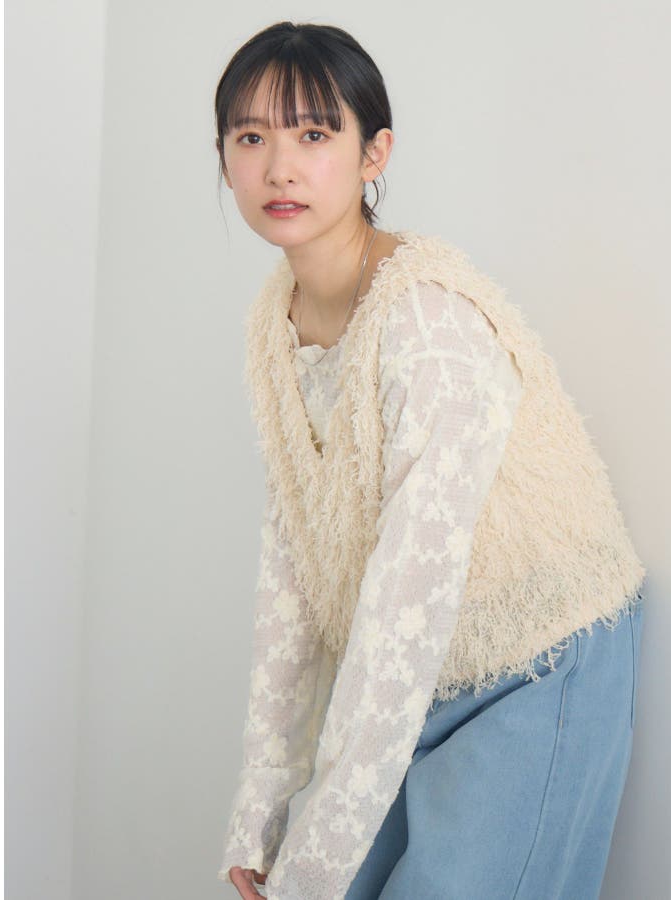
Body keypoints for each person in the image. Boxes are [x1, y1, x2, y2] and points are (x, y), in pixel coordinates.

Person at [213, 21, 647, 900]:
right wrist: (263, 810)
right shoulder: (275, 318)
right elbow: (293, 570)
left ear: (374, 154)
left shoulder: (426, 324)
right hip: (411, 668)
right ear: (224, 159)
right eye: (251, 138)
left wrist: (311, 867)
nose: (280, 167)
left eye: (313, 133)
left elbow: (406, 606)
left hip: (537, 659)